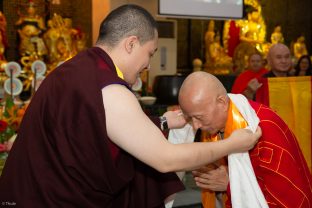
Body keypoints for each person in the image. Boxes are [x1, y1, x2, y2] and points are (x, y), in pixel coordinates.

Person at [0, 5, 261, 208]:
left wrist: (165, 122)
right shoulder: (109, 89)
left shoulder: (70, 70)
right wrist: (232, 145)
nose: (148, 65)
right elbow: (165, 159)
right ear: (131, 43)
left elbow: (98, 129)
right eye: (150, 53)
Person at [179, 71, 312, 208]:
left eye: (199, 117)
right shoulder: (212, 125)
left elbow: (287, 198)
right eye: (190, 118)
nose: (196, 126)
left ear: (222, 102)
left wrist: (231, 184)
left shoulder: (263, 128)